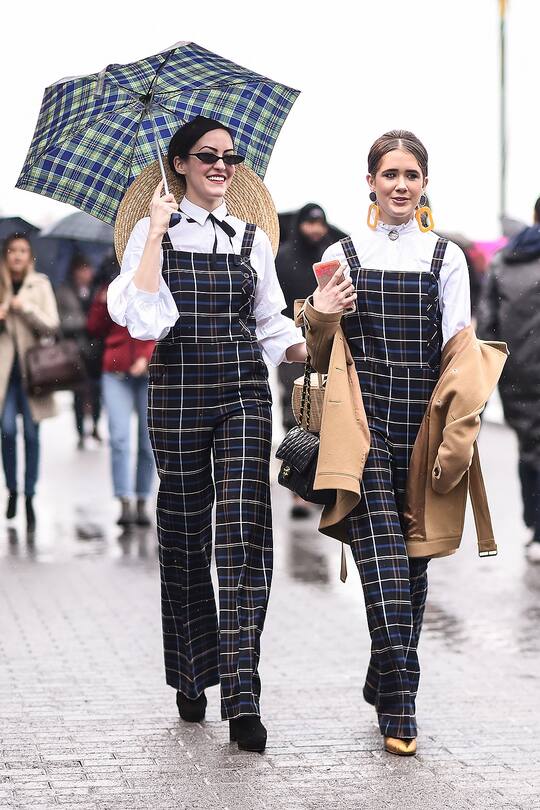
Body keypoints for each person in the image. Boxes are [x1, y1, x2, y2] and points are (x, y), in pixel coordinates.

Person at [107, 116, 306, 753]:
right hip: (176, 394)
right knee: (186, 529)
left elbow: (270, 321)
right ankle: (194, 674)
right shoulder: (150, 230)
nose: (221, 165)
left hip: (244, 393)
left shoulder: (255, 238)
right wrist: (157, 234)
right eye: (207, 156)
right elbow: (139, 318)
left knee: (246, 527)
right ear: (182, 164)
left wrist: (312, 348)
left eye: (229, 155)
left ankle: (243, 691)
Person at [300, 130, 491, 756]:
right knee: (381, 558)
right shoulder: (342, 253)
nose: (400, 185)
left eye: (411, 174)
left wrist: (460, 433)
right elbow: (318, 354)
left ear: (425, 182)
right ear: (371, 183)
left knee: (413, 563)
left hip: (426, 423)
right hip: (362, 426)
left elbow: (460, 356)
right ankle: (403, 696)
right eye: (390, 174)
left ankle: (382, 669)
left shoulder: (448, 258)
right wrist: (322, 309)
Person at [477, 197, 540, 563]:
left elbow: (487, 326)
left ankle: (535, 527)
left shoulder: (504, 259)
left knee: (529, 450)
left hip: (516, 375)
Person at [275, 204, 335, 518]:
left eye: (320, 223)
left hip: (326, 345)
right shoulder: (283, 257)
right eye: (310, 223)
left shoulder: (329, 256)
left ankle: (317, 483)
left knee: (325, 414)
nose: (315, 229)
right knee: (296, 411)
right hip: (291, 345)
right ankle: (297, 491)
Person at [87, 258, 156, 527]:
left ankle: (141, 499)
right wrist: (100, 302)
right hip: (114, 371)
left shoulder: (152, 272)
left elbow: (159, 324)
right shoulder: (110, 285)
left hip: (147, 372)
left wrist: (145, 356)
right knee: (119, 438)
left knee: (147, 442)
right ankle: (124, 500)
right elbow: (94, 328)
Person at [0, 233, 60, 529]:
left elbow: (52, 325)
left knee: (33, 436)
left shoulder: (41, 285)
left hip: (33, 375)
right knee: (8, 432)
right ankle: (12, 489)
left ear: (30, 256)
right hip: (4, 377)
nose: (17, 256)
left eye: (23, 251)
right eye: (12, 251)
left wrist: (26, 308)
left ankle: (30, 495)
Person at [56, 255, 102, 448]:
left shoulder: (97, 291)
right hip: (75, 351)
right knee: (78, 393)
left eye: (88, 268)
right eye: (83, 268)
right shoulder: (64, 291)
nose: (86, 273)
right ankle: (81, 432)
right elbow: (60, 321)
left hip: (95, 350)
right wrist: (83, 321)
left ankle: (96, 426)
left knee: (96, 391)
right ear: (75, 271)